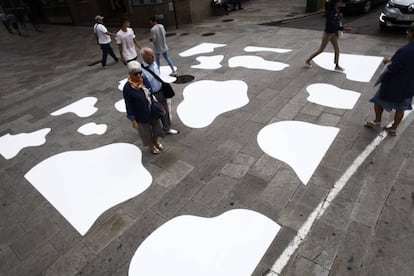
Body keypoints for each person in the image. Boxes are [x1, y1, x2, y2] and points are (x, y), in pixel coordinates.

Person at [365, 22, 414, 136]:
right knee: (401, 108)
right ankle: (394, 128)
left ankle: (377, 121)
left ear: (412, 34)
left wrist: (388, 63)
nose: (406, 34)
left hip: (394, 83)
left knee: (378, 101)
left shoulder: (404, 51)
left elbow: (393, 68)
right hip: (409, 85)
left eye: (408, 32)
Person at [123, 61, 164, 154]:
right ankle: (151, 146)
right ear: (130, 74)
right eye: (135, 74)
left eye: (140, 72)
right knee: (146, 132)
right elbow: (128, 104)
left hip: (152, 109)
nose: (138, 75)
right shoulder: (128, 88)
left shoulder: (144, 79)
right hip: (140, 113)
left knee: (157, 127)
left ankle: (156, 141)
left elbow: (150, 91)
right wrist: (133, 120)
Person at [140, 47, 179, 135]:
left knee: (165, 110)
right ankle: (154, 131)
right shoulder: (142, 71)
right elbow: (143, 86)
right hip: (153, 94)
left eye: (153, 55)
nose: (153, 57)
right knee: (157, 112)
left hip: (161, 90)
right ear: (145, 57)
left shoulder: (154, 64)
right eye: (151, 56)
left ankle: (167, 127)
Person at [305, 0, 351, 71]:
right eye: (339, 2)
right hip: (328, 34)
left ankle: (337, 65)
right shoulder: (331, 12)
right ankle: (308, 60)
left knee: (337, 49)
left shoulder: (336, 11)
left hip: (333, 34)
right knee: (321, 50)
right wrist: (344, 29)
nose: (340, 3)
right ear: (336, 3)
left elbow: (337, 22)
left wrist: (340, 17)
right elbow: (333, 24)